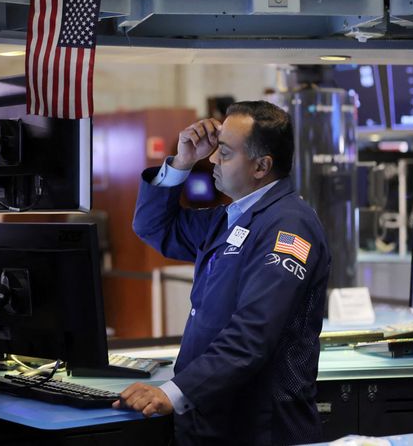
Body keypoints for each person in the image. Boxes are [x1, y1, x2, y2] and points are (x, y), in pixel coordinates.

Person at [113, 101, 331, 445]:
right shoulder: (230, 219)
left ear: (261, 166)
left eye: (224, 153)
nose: (212, 159)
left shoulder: (289, 227)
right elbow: (154, 226)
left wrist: (173, 392)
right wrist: (182, 163)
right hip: (213, 414)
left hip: (258, 426)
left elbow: (252, 334)